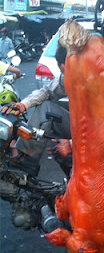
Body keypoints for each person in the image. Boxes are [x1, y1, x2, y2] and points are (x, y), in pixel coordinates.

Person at [0, 43, 71, 175]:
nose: (64, 74)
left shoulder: (98, 81)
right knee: (45, 108)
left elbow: (102, 125)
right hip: (79, 123)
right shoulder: (66, 78)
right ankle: (27, 160)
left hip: (99, 132)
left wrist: (73, 144)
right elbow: (47, 92)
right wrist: (23, 104)